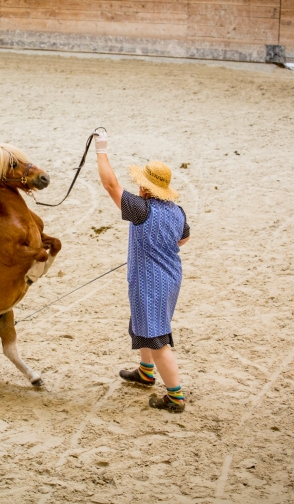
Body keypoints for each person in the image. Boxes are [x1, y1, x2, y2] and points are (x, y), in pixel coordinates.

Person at [93, 131, 190, 412]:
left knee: (157, 339)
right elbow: (182, 239)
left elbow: (110, 185)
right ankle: (146, 372)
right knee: (144, 325)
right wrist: (156, 245)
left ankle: (175, 396)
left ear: (145, 187)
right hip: (170, 276)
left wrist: (101, 149)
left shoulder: (141, 209)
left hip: (152, 281)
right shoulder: (177, 211)